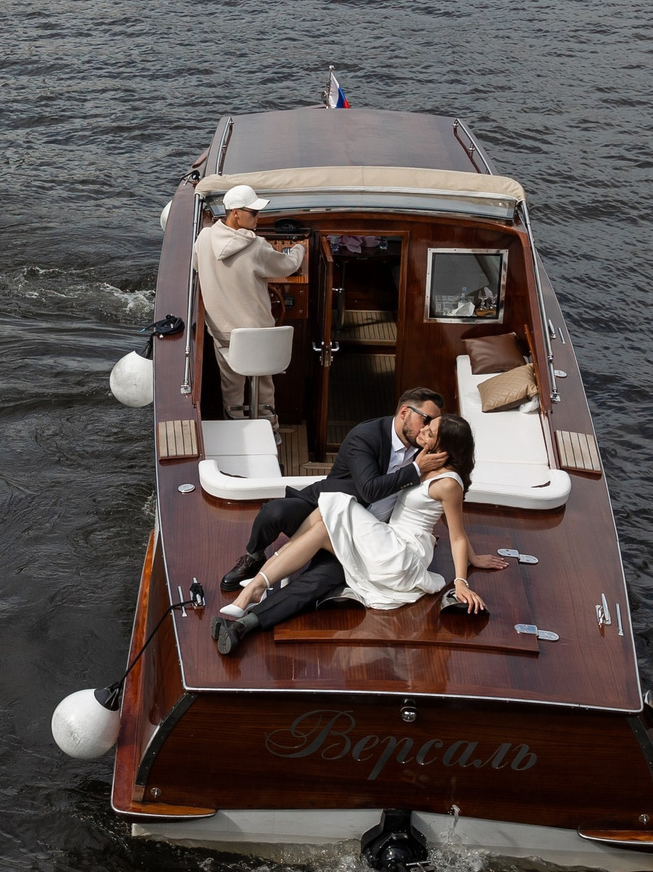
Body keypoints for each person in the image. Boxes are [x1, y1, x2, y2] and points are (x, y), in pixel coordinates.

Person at [211, 414, 490, 655]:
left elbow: (456, 533)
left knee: (335, 507)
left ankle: (255, 593)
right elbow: (442, 518)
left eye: (430, 432)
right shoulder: (422, 459)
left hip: (400, 554)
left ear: (445, 447)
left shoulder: (448, 484)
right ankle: (255, 590)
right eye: (426, 425)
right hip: (384, 539)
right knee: (321, 520)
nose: (423, 430)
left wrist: (461, 581)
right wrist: (473, 556)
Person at [216, 388, 448, 593]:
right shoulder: (367, 435)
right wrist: (416, 469)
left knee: (321, 579)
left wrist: (429, 534)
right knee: (273, 512)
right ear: (405, 412)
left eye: (434, 424)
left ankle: (270, 595)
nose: (428, 429)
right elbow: (369, 490)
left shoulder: (427, 449)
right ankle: (254, 556)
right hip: (325, 505)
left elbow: (444, 493)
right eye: (426, 420)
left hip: (366, 530)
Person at [192, 183, 302, 419]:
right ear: (235, 213)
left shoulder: (204, 237)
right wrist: (298, 250)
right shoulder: (257, 246)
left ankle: (235, 423)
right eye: (253, 212)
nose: (258, 217)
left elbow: (196, 265)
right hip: (257, 335)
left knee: (231, 388)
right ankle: (269, 426)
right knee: (264, 386)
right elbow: (288, 266)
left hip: (223, 334)